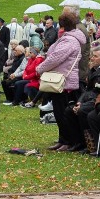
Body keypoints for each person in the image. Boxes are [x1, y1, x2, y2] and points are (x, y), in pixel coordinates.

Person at [37, 12, 86, 152]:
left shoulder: (70, 40)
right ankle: (62, 139)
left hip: (64, 81)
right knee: (58, 112)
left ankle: (68, 140)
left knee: (62, 113)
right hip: (60, 79)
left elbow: (55, 58)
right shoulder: (68, 38)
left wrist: (40, 68)